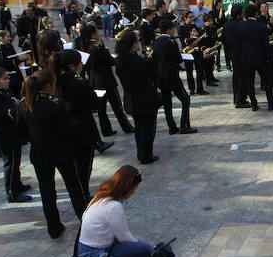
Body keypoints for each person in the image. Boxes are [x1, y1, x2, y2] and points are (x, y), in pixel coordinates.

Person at [18, 68, 89, 239]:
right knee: (75, 188)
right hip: (61, 151)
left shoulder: (23, 104)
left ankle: (53, 227)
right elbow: (66, 129)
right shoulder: (54, 104)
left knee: (47, 191)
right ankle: (86, 221)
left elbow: (21, 133)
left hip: (39, 153)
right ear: (49, 85)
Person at [76, 166, 154, 257]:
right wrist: (147, 246)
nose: (134, 192)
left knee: (138, 246)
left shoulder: (100, 197)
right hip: (97, 251)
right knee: (144, 249)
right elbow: (124, 237)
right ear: (128, 187)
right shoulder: (113, 206)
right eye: (134, 188)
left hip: (84, 248)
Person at [53, 49, 109, 194]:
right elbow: (93, 104)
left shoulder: (56, 82)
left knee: (75, 164)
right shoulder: (79, 83)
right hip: (82, 127)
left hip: (65, 128)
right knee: (84, 165)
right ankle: (83, 193)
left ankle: (79, 192)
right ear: (72, 66)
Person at [0, 66, 32, 203]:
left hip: (10, 133)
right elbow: (6, 114)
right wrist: (19, 108)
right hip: (6, 135)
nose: (8, 81)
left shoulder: (1, 93)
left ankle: (17, 184)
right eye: (4, 79)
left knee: (16, 161)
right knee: (11, 163)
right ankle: (12, 192)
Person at [115, 32, 162, 164]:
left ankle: (140, 152)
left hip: (131, 98)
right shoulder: (140, 62)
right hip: (145, 98)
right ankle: (146, 154)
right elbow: (153, 77)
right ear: (133, 44)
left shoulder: (120, 61)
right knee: (148, 129)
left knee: (138, 127)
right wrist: (150, 61)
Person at [82, 24, 135, 136]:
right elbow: (110, 61)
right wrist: (109, 54)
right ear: (93, 34)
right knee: (117, 106)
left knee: (102, 109)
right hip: (107, 81)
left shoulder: (88, 47)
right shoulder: (98, 47)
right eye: (97, 32)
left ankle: (106, 131)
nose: (98, 34)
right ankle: (127, 127)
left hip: (96, 82)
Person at [152, 20, 197, 135]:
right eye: (173, 28)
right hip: (172, 77)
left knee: (167, 104)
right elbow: (178, 59)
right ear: (169, 29)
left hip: (162, 78)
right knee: (185, 99)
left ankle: (172, 127)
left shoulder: (156, 43)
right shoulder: (171, 42)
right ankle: (184, 126)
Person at [238, 4, 273, 111]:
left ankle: (254, 104)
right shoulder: (261, 26)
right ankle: (270, 103)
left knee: (250, 83)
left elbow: (240, 44)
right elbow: (265, 44)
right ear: (256, 13)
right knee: (267, 82)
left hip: (247, 59)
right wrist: (268, 57)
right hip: (261, 59)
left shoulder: (241, 26)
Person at [178, 11, 207, 96]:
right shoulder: (181, 28)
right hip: (188, 52)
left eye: (192, 16)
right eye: (190, 17)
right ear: (185, 18)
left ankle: (200, 88)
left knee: (199, 70)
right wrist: (190, 38)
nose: (192, 18)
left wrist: (197, 34)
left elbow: (198, 37)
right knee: (189, 72)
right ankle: (191, 89)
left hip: (197, 50)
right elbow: (182, 40)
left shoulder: (194, 26)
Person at [223, 5, 246, 107]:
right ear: (238, 14)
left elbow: (224, 40)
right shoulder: (240, 25)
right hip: (240, 54)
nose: (243, 14)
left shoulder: (226, 25)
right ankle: (240, 100)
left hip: (232, 53)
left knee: (236, 76)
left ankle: (236, 98)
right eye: (242, 12)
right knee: (241, 77)